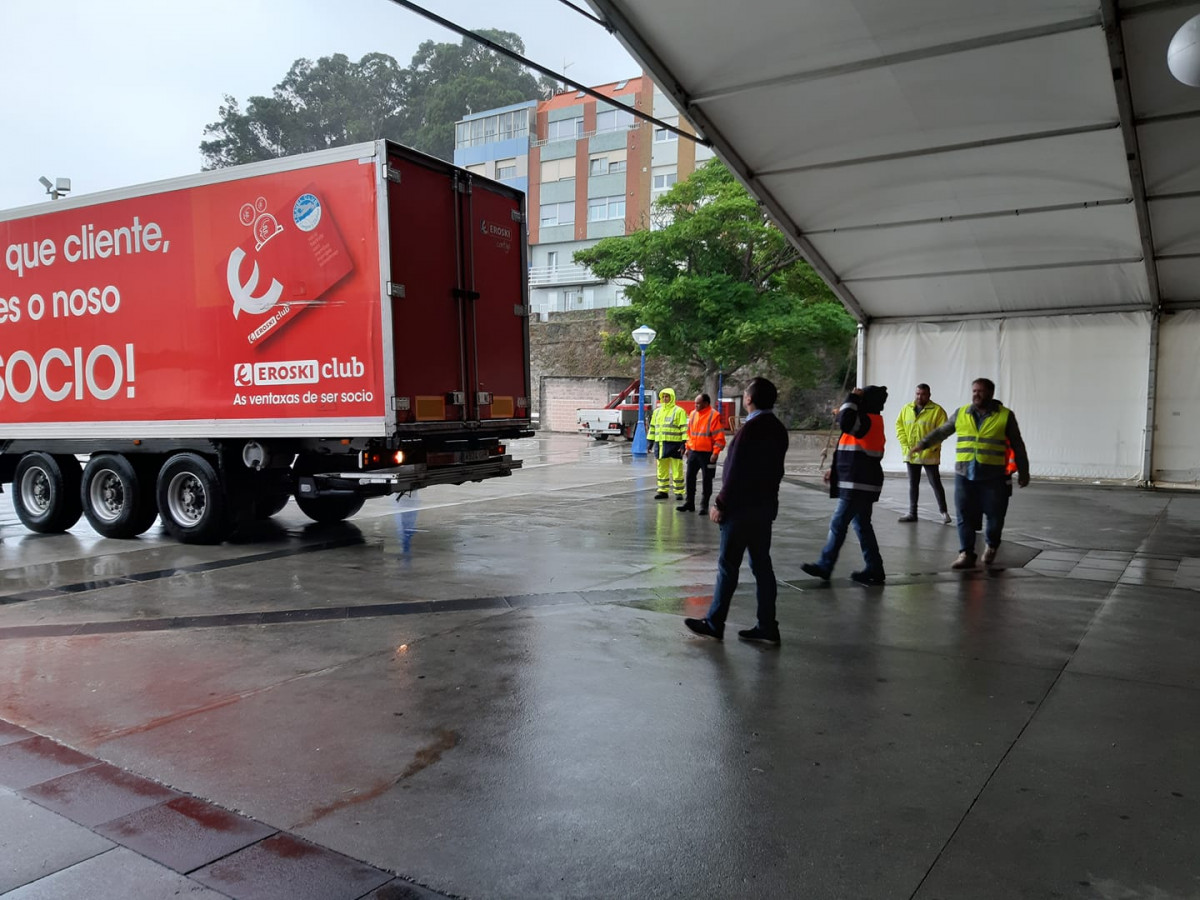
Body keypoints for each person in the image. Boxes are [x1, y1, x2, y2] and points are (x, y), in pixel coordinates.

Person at [684, 377, 789, 644]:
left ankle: (714, 622)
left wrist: (720, 503)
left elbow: (736, 472)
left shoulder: (750, 430)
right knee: (762, 567)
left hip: (741, 510)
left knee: (728, 567)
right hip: (764, 508)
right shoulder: (778, 429)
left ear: (749, 399)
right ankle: (767, 625)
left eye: (745, 393)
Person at [914, 378, 1030, 569]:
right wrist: (924, 443)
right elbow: (942, 431)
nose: (976, 394)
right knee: (963, 514)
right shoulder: (962, 413)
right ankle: (966, 553)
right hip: (964, 474)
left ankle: (992, 544)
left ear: (991, 393)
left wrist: (1024, 471)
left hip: (994, 476)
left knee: (995, 516)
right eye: (974, 391)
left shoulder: (1005, 416)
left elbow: (1018, 445)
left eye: (981, 391)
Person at [801, 385, 889, 586]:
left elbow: (846, 421)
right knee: (862, 525)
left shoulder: (867, 420)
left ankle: (825, 565)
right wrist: (836, 471)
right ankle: (874, 567)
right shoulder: (868, 420)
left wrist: (852, 398)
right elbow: (850, 445)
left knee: (838, 523)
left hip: (858, 483)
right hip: (862, 482)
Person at [894, 383, 951, 524]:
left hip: (929, 455)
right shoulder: (906, 409)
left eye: (923, 394)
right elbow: (899, 426)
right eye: (918, 394)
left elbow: (942, 432)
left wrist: (931, 447)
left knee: (935, 483)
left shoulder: (937, 411)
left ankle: (944, 512)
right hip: (911, 453)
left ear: (929, 395)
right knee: (913, 484)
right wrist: (905, 444)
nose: (920, 397)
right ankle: (912, 513)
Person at [677, 393, 726, 515]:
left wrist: (715, 453)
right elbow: (690, 433)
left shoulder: (714, 416)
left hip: (708, 454)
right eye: (695, 403)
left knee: (707, 479)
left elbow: (719, 438)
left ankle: (704, 505)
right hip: (694, 452)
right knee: (690, 477)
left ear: (706, 403)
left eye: (698, 403)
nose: (695, 405)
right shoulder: (693, 414)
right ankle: (689, 502)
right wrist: (688, 448)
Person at [648, 388, 688, 500]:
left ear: (672, 397)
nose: (665, 399)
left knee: (677, 469)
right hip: (660, 445)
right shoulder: (657, 412)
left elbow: (684, 429)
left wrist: (683, 444)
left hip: (675, 445)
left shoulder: (679, 411)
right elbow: (652, 428)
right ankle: (662, 491)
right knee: (661, 469)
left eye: (667, 396)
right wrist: (650, 443)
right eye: (663, 397)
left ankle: (679, 492)